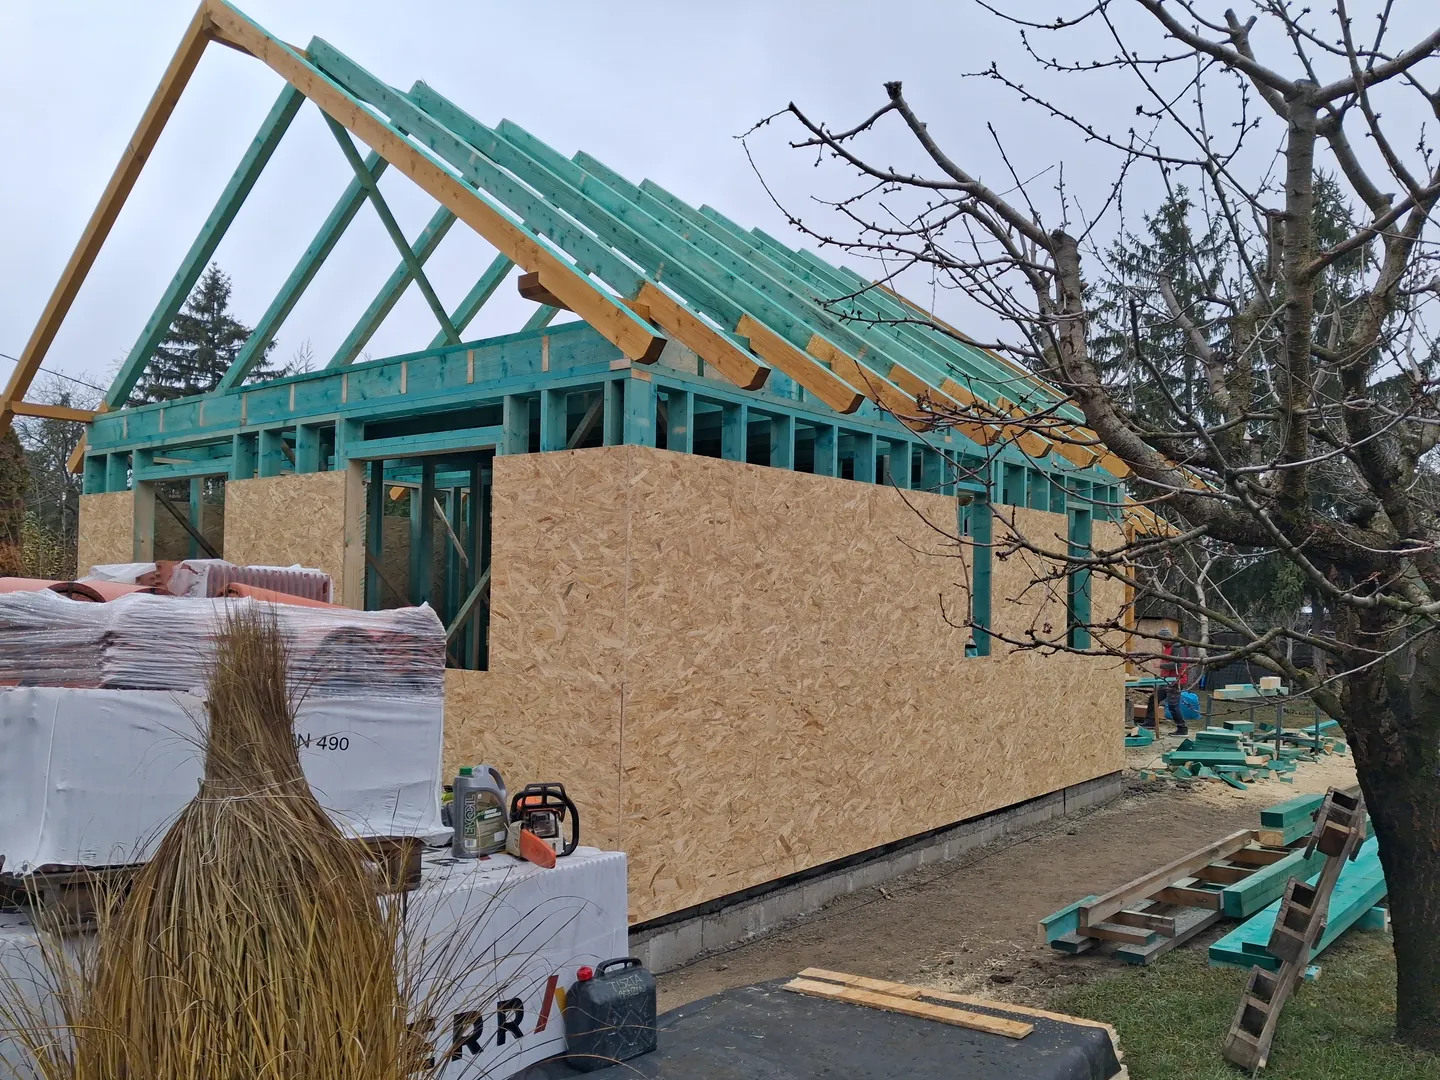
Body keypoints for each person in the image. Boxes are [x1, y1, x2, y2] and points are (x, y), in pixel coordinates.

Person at [1157, 628, 1190, 735]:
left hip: (1176, 680)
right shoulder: (1167, 647)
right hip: (1166, 680)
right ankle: (1150, 721)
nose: (1159, 641)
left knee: (1173, 705)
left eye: (1161, 639)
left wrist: (1161, 665)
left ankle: (1182, 728)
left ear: (1166, 638)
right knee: (1154, 698)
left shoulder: (1176, 647)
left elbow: (1179, 664)